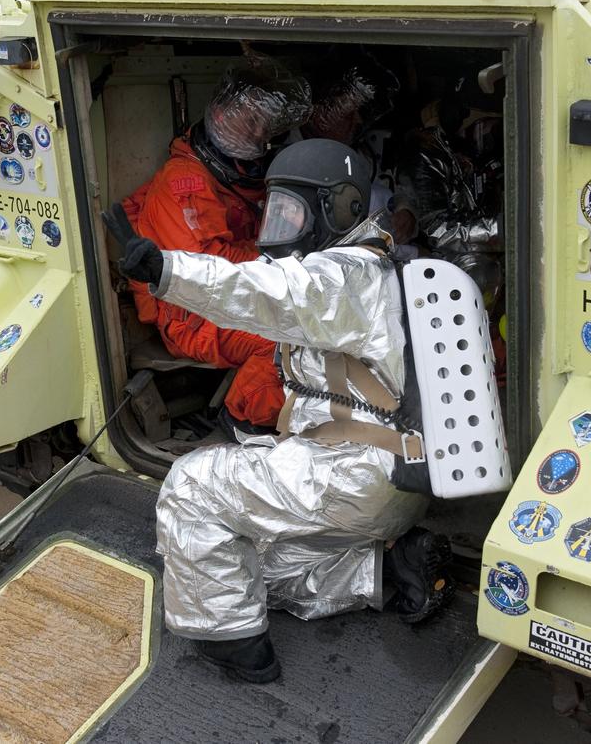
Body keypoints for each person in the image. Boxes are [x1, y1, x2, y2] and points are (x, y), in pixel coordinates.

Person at [114, 138, 454, 683]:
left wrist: (167, 271)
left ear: (338, 209)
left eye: (292, 212)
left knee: (193, 485)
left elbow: (259, 291)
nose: (281, 227)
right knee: (246, 567)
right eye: (276, 212)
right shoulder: (369, 267)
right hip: (383, 480)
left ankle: (232, 643)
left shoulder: (342, 275)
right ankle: (386, 570)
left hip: (355, 473)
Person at [121, 59, 311, 435]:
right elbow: (208, 266)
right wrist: (288, 262)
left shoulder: (240, 173)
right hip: (190, 314)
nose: (260, 133)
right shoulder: (185, 182)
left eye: (266, 125)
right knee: (290, 343)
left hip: (237, 295)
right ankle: (242, 421)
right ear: (222, 114)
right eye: (251, 120)